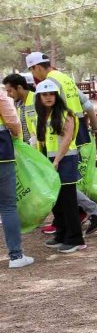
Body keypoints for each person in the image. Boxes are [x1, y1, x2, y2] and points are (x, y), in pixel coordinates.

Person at [24, 55, 97, 235]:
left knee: (65, 183)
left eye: (32, 70)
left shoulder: (50, 82)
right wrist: (94, 126)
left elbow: (56, 111)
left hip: (63, 132)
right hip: (77, 129)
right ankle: (75, 217)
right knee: (67, 182)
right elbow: (87, 104)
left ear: (36, 68)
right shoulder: (65, 77)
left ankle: (88, 214)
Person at [35, 80, 85, 254]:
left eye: (51, 94)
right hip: (50, 161)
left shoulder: (66, 114)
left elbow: (67, 139)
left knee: (68, 201)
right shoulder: (42, 116)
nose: (48, 97)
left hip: (65, 160)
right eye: (45, 94)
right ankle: (62, 235)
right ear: (39, 97)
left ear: (56, 96)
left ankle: (75, 239)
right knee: (56, 202)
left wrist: (56, 161)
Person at [0, 82, 32, 268]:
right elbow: (12, 120)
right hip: (2, 153)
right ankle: (15, 256)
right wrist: (16, 135)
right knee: (8, 206)